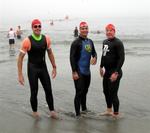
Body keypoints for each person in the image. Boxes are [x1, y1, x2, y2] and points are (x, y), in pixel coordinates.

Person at [17, 19, 58, 119]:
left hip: (43, 68)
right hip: (32, 69)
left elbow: (50, 53)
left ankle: (52, 111)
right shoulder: (27, 41)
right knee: (34, 91)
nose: (37, 28)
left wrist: (54, 66)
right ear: (32, 28)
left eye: (39, 26)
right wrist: (20, 74)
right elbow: (20, 58)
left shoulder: (46, 39)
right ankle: (35, 112)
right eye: (35, 26)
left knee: (48, 90)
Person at [70, 22, 97, 118]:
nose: (85, 30)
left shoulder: (90, 41)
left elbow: (94, 53)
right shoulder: (76, 43)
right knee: (79, 92)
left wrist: (95, 58)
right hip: (78, 71)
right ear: (80, 30)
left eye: (86, 28)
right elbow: (72, 58)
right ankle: (77, 114)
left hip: (87, 72)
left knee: (85, 91)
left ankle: (84, 109)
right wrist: (74, 72)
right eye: (82, 28)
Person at [100, 24, 125, 118]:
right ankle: (109, 110)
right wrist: (101, 67)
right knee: (106, 91)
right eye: (107, 30)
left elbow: (122, 58)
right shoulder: (105, 42)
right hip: (107, 71)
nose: (109, 32)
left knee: (113, 93)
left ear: (114, 31)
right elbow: (103, 55)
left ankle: (116, 114)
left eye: (111, 30)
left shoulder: (118, 43)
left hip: (115, 72)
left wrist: (116, 72)